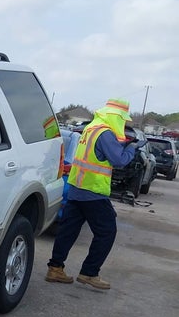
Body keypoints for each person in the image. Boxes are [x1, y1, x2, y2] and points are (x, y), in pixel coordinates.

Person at [45, 98, 146, 290]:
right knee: (107, 231)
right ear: (116, 117)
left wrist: (122, 143)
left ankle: (55, 268)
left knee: (68, 231)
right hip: (93, 192)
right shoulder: (106, 133)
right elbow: (118, 161)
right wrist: (132, 148)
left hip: (76, 188)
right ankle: (89, 273)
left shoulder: (91, 128)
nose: (124, 124)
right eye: (123, 120)